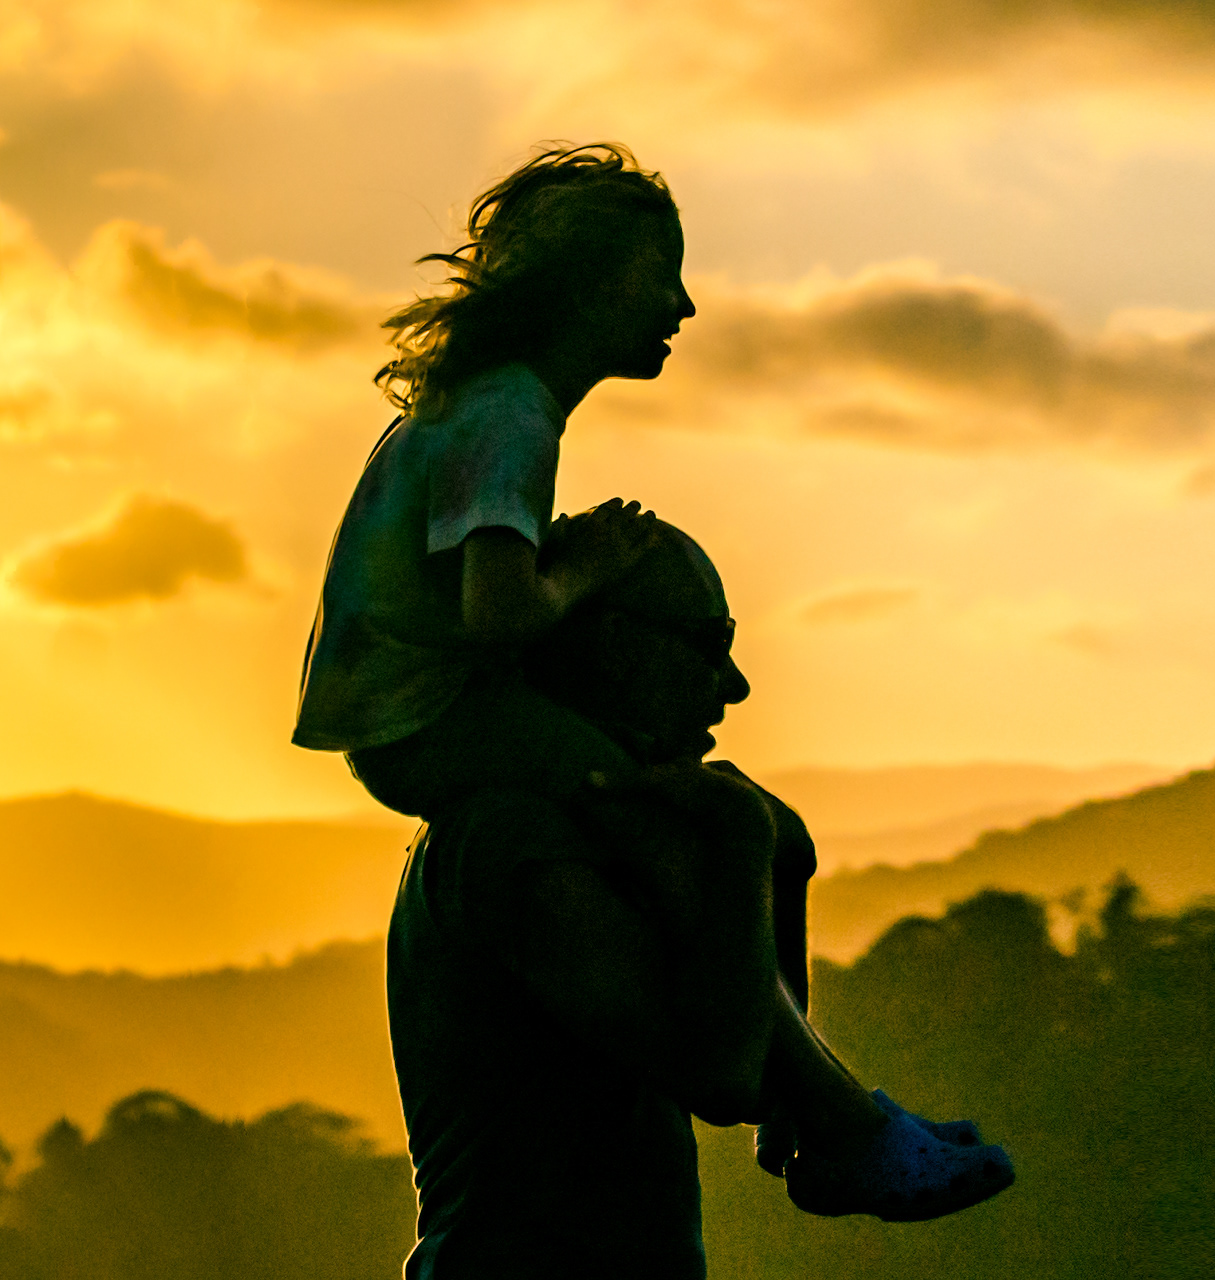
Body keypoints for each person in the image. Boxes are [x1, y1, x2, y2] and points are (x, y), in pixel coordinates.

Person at [387, 522, 1014, 1278]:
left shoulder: (594, 838)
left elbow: (760, 1045)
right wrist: (745, 846)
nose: (735, 683)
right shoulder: (514, 842)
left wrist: (783, 860)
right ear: (616, 645)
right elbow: (725, 1073)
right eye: (710, 642)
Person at [292, 142, 687, 819]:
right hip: (428, 721)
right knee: (672, 814)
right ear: (584, 289)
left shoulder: (492, 401)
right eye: (659, 274)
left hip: (400, 719)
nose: (683, 305)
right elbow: (500, 612)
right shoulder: (513, 417)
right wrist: (588, 568)